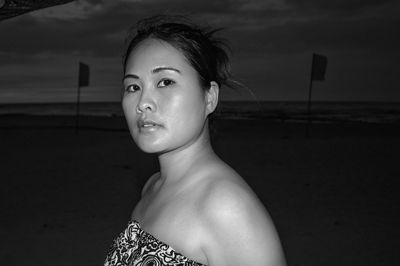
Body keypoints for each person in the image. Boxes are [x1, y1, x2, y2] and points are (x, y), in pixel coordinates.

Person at [104, 15, 286, 266]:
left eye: (165, 82)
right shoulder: (153, 186)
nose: (143, 102)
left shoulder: (226, 206)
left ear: (210, 97)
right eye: (133, 87)